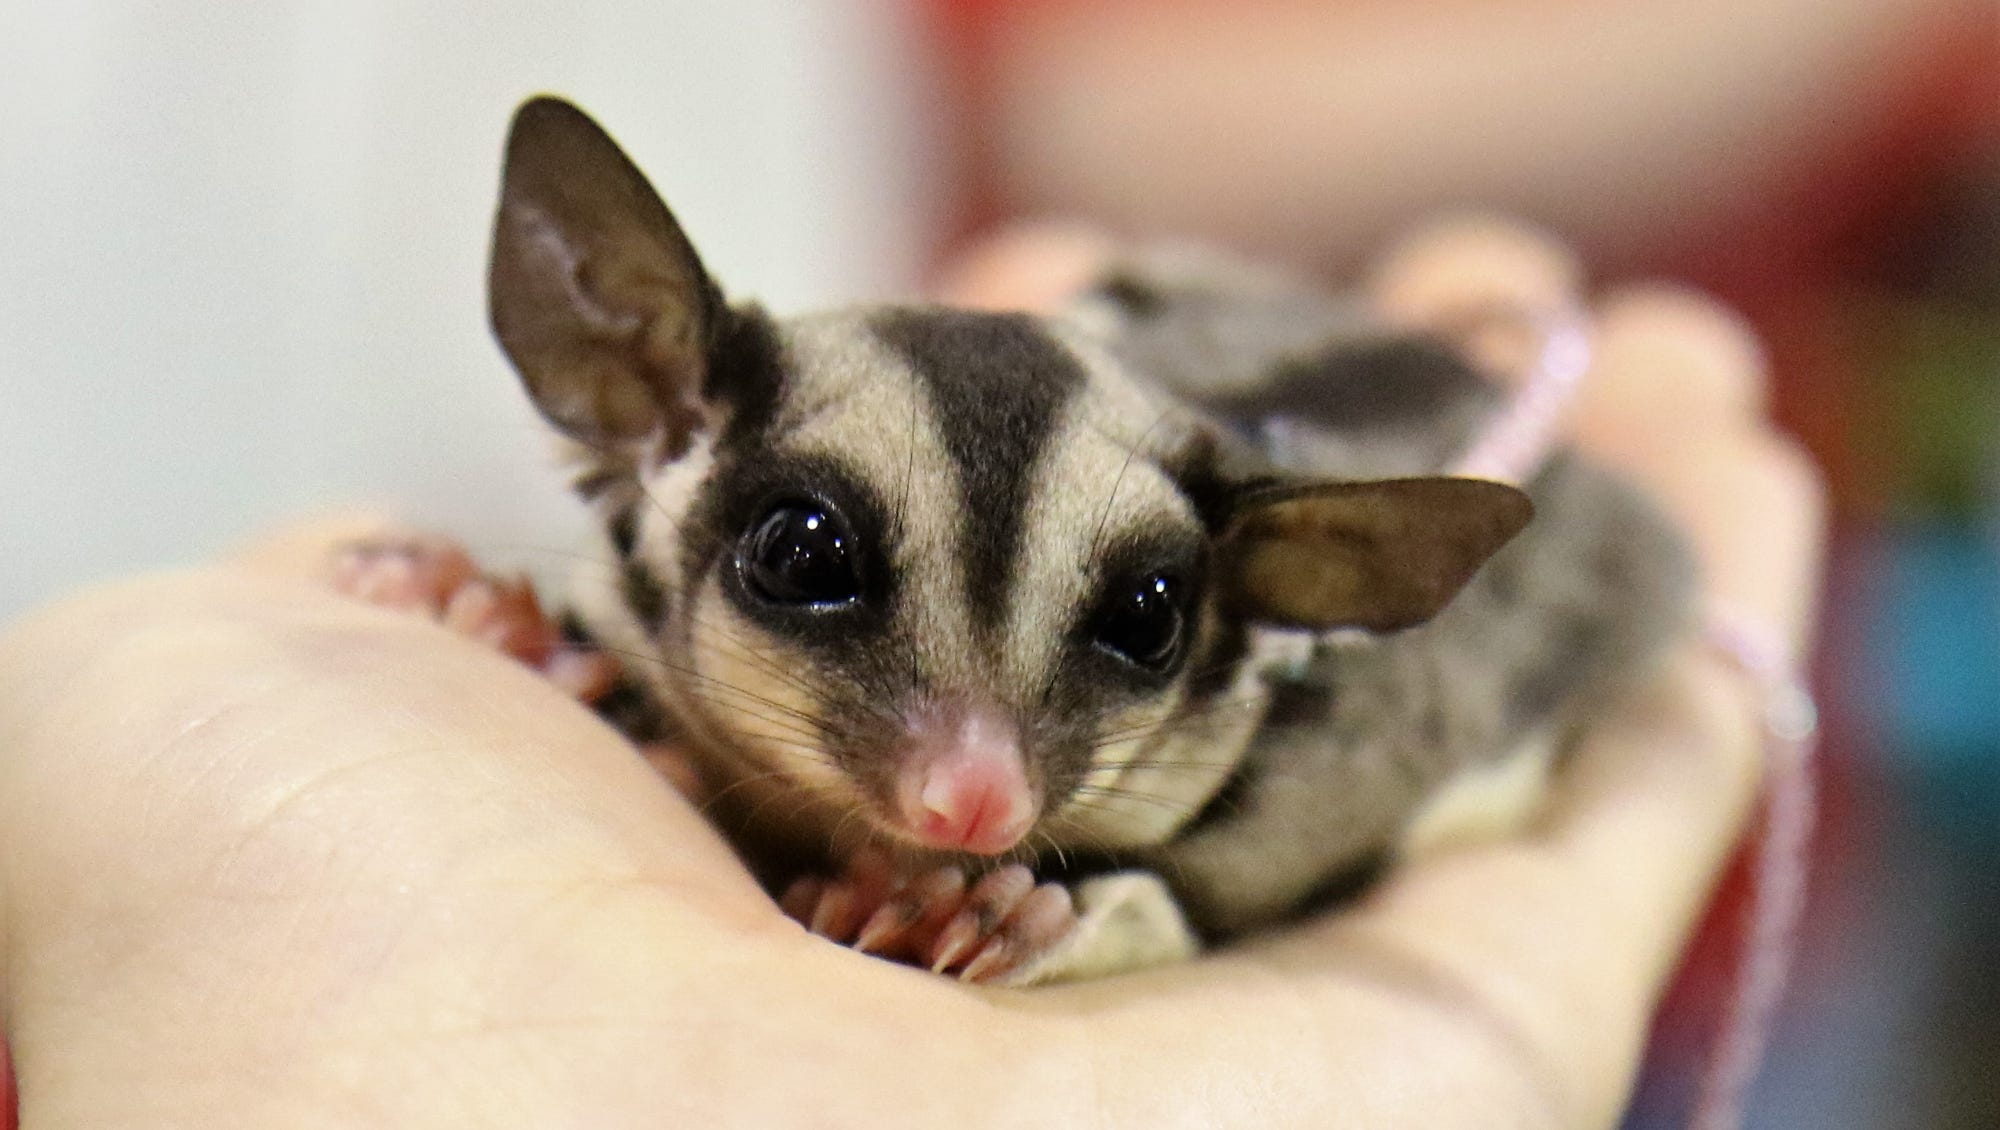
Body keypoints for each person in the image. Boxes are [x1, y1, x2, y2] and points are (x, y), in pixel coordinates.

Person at [0, 219, 1821, 1128]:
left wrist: (1103, 912)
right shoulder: (659, 502)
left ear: (1302, 584)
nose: (973, 788)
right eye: (816, 566)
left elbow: (1256, 822)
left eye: (1128, 626)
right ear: (636, 401)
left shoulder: (1285, 704)